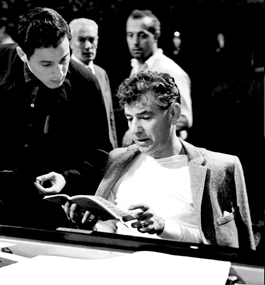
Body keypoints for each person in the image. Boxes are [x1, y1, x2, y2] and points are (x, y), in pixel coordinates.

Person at [65, 70, 255, 250]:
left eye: (145, 117)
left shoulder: (218, 170)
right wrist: (92, 223)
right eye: (129, 118)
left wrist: (165, 227)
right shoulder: (118, 160)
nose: (135, 129)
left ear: (173, 113)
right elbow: (112, 228)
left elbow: (221, 244)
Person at [0, 7, 112, 230]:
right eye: (46, 64)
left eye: (64, 59)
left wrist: (67, 178)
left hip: (49, 212)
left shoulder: (86, 83)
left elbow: (100, 153)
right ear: (23, 54)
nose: (59, 73)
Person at [122, 9, 192, 147]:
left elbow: (185, 118)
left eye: (142, 35)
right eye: (130, 35)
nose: (135, 42)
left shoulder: (169, 70)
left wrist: (138, 129)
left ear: (156, 36)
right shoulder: (136, 68)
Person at [69, 18, 118, 149]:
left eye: (92, 40)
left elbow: (110, 116)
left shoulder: (101, 73)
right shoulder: (65, 75)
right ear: (70, 42)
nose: (88, 46)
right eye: (81, 40)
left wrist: (115, 150)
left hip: (105, 152)